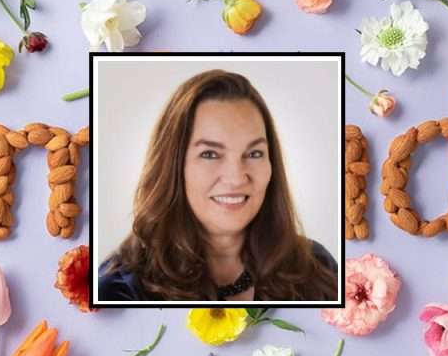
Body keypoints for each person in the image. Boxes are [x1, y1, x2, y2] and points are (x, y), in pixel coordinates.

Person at [99, 69, 337, 302]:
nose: (236, 178)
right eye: (210, 154)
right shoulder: (119, 288)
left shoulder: (317, 268)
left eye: (254, 153)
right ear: (173, 166)